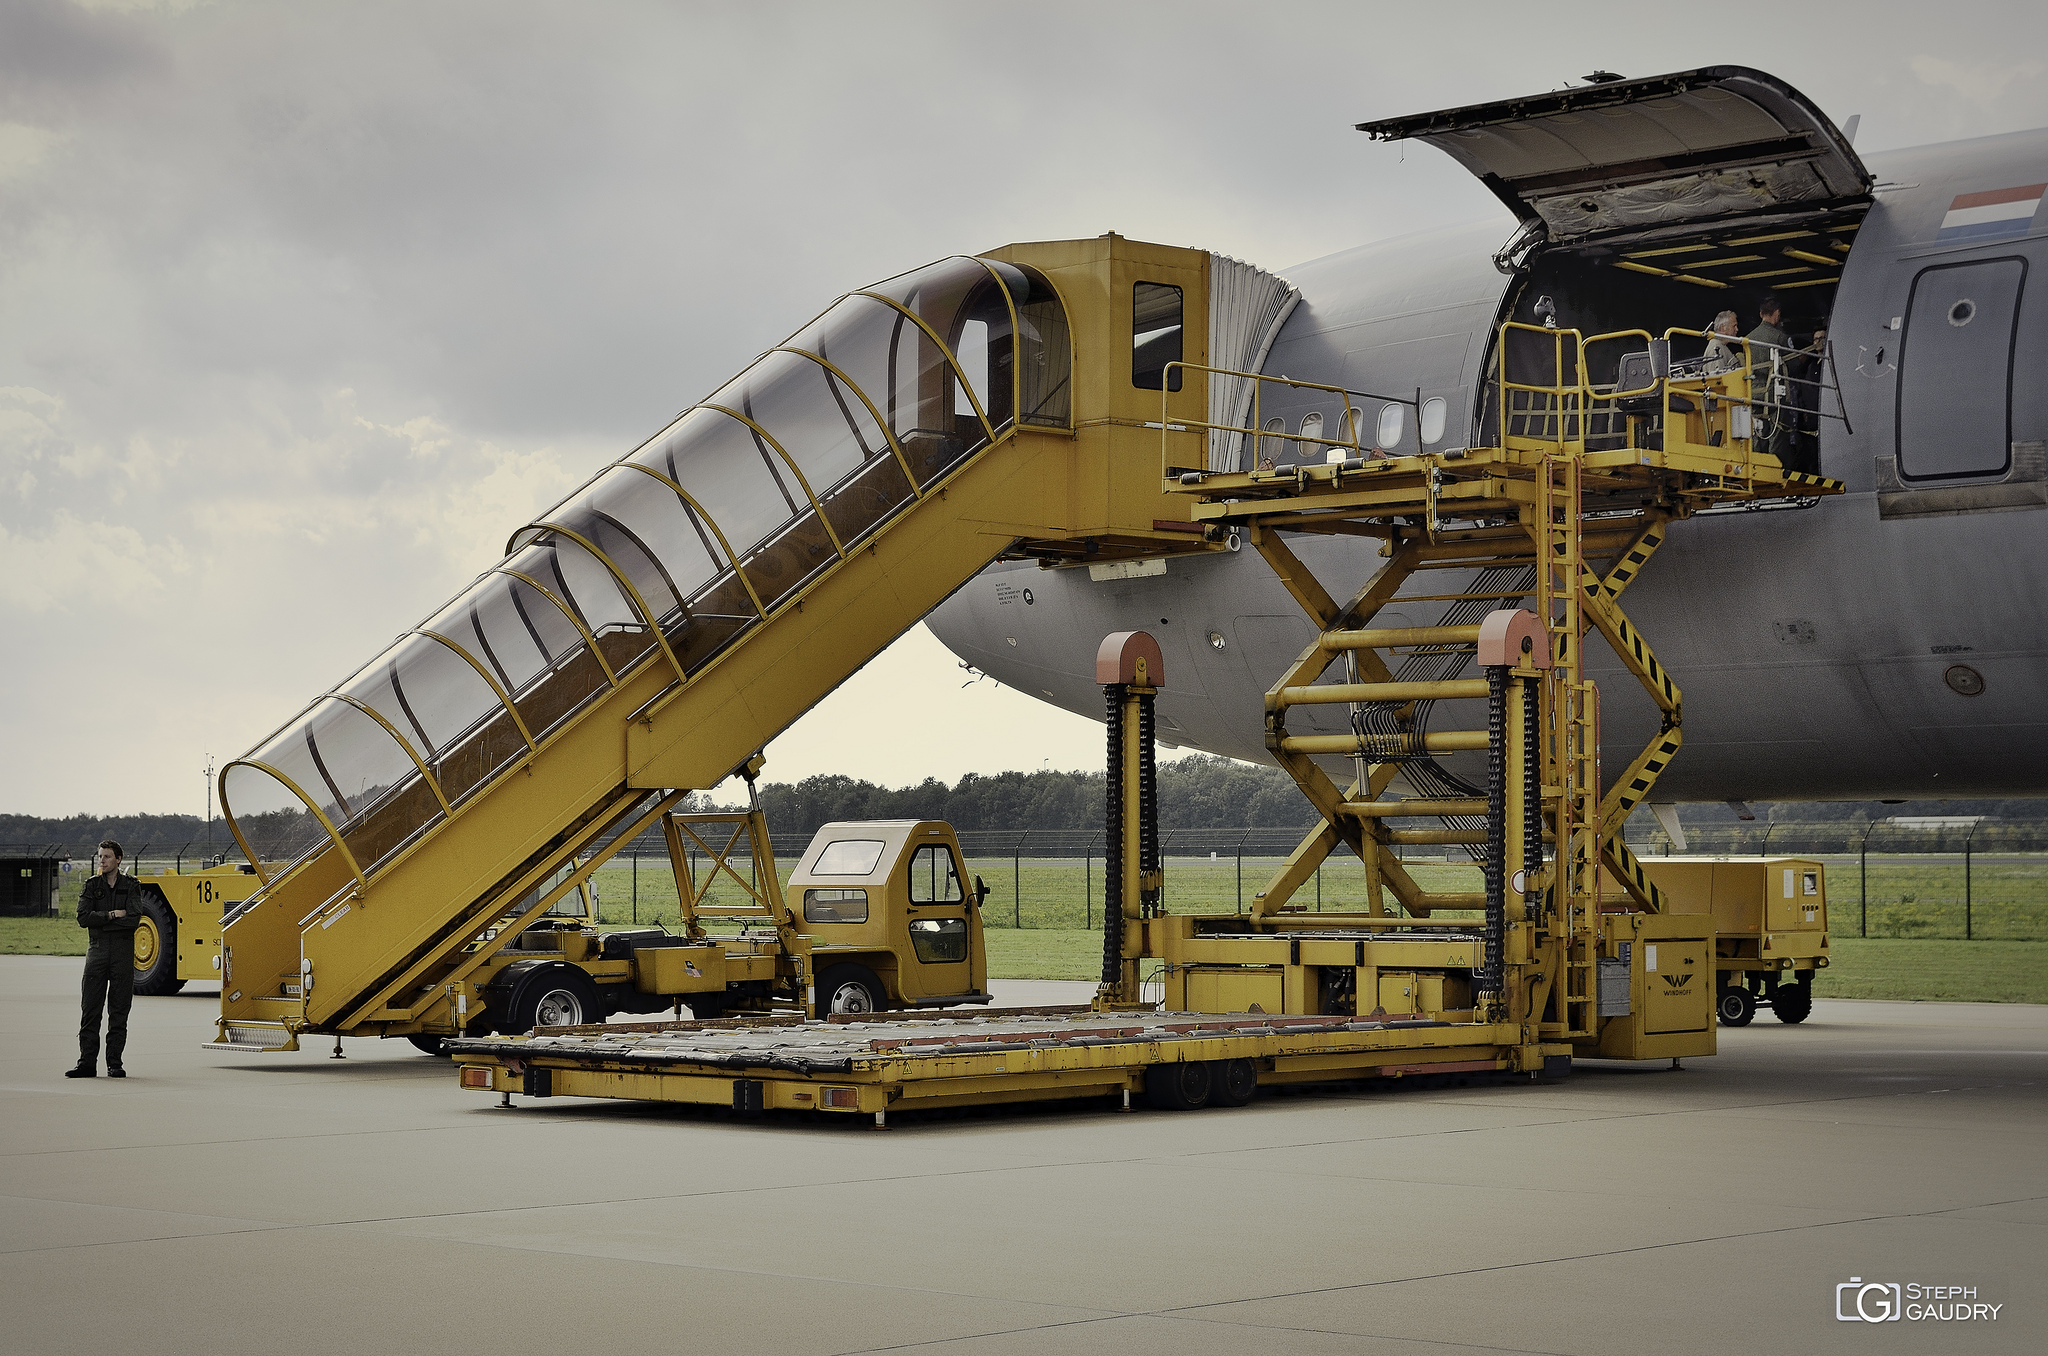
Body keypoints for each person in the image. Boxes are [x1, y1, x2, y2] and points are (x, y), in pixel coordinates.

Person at [70, 839, 142, 1078]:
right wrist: (112, 915)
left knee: (119, 1012)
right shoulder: (92, 885)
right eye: (100, 856)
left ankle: (114, 1063)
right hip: (97, 953)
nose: (102, 860)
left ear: (118, 859)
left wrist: (100, 921)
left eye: (107, 856)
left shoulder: (131, 886)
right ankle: (86, 1063)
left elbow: (133, 920)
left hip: (122, 954)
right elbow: (82, 918)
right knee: (90, 1010)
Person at [1702, 310, 1742, 374]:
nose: (1737, 329)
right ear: (1722, 328)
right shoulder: (1716, 348)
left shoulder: (1721, 346)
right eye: (1734, 326)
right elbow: (1716, 378)